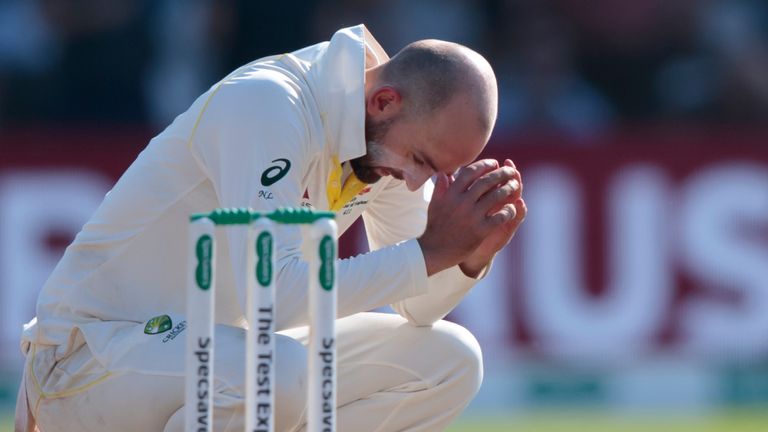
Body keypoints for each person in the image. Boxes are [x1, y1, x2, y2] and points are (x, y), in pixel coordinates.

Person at [15, 24, 526, 432]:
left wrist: (466, 256)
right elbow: (275, 298)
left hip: (218, 359)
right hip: (91, 362)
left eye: (432, 172)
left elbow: (416, 306)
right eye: (419, 161)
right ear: (383, 101)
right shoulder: (270, 104)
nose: (417, 185)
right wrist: (429, 251)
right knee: (274, 372)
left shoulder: (385, 140)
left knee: (451, 361)